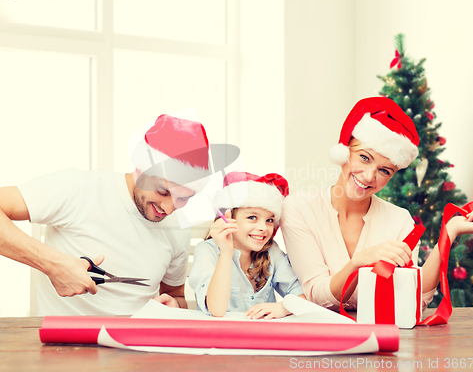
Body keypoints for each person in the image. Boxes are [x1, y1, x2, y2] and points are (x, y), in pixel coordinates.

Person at [281, 97, 473, 312]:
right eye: (364, 158)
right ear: (345, 151)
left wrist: (451, 230)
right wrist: (359, 262)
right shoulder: (299, 208)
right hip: (321, 338)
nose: (369, 176)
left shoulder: (399, 220)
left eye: (384, 170)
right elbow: (317, 296)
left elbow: (414, 298)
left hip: (385, 338)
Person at [0, 114, 212, 315]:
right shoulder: (78, 188)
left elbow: (175, 295)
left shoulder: (177, 229)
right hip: (65, 346)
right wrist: (52, 264)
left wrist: (173, 306)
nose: (169, 208)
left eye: (183, 198)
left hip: (136, 346)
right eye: (162, 191)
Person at [188, 172, 305, 319]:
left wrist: (283, 307)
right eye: (252, 217)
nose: (264, 227)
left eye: (269, 220)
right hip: (219, 337)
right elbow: (216, 310)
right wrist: (226, 253)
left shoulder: (271, 251)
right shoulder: (207, 251)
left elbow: (303, 295)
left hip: (261, 337)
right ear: (227, 218)